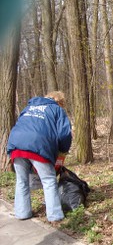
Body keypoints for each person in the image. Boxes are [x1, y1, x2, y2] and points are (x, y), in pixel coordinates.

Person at [7, 91, 72, 222]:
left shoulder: (28, 107)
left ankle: (22, 213)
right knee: (49, 180)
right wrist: (63, 150)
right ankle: (55, 216)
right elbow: (64, 134)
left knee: (21, 180)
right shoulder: (57, 109)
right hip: (39, 146)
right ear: (59, 102)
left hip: (16, 145)